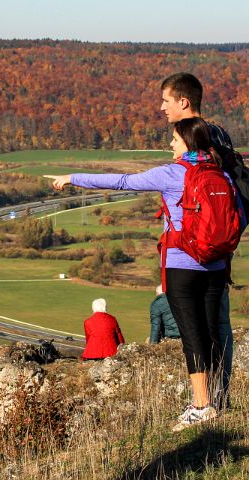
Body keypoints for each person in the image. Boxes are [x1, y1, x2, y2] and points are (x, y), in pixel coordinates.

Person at [45, 117, 239, 431]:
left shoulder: (172, 173)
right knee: (212, 333)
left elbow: (122, 181)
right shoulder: (222, 174)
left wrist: (71, 177)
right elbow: (237, 217)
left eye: (174, 140)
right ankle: (216, 399)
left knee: (192, 336)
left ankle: (201, 406)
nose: (171, 145)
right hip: (216, 265)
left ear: (188, 143)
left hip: (181, 264)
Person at [160, 73, 235, 408]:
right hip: (218, 253)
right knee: (214, 329)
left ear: (183, 102)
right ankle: (217, 400)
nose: (162, 107)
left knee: (206, 330)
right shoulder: (217, 140)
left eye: (166, 101)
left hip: (196, 256)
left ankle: (212, 402)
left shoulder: (202, 142)